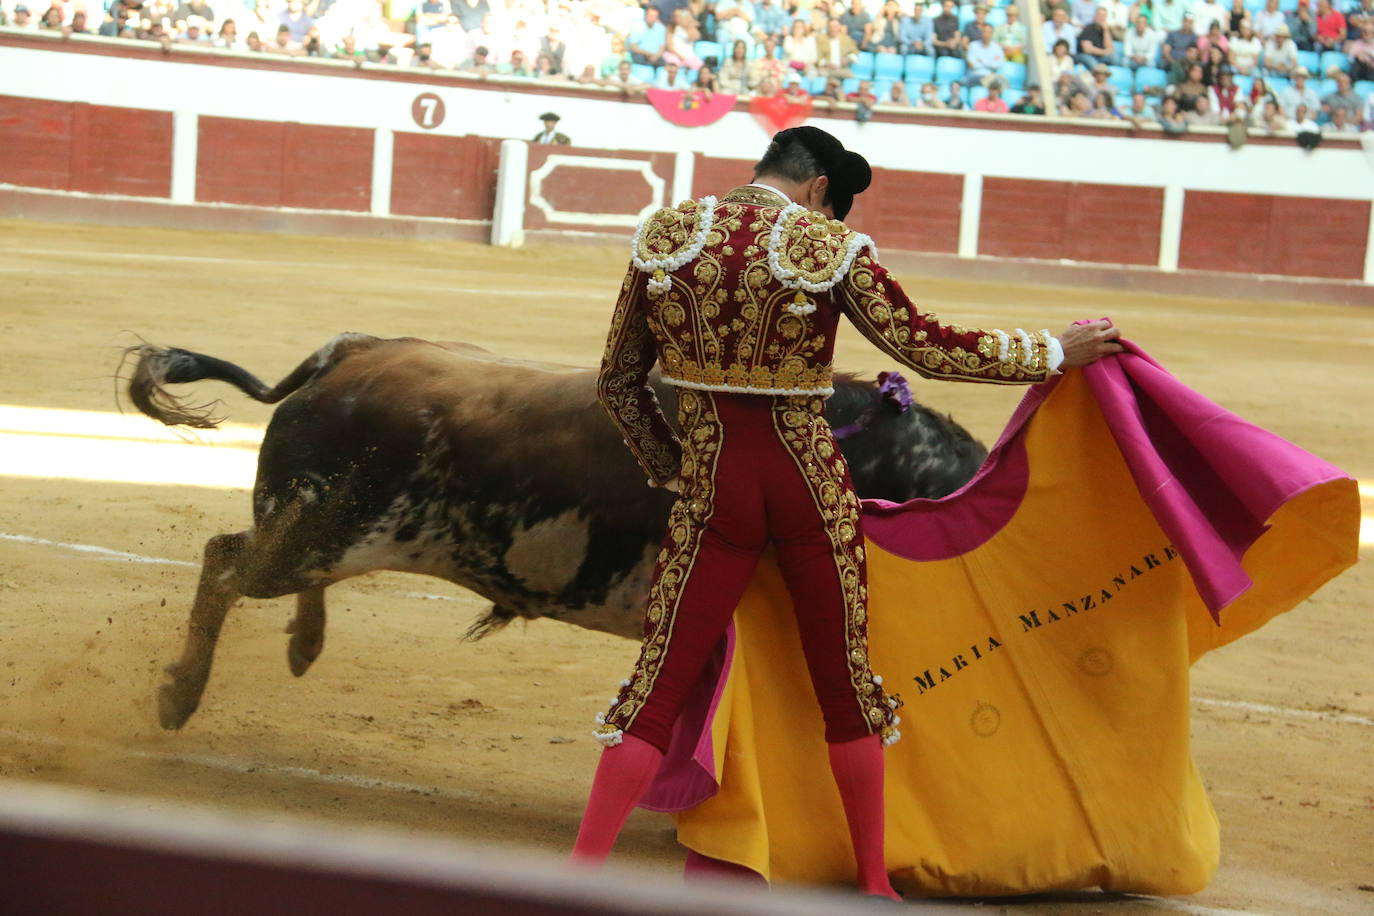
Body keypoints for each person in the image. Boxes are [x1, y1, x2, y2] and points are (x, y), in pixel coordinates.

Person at [576, 124, 1123, 900]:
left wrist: (675, 467)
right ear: (819, 189)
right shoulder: (826, 247)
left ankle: (576, 877)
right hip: (807, 483)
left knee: (654, 690)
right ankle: (873, 883)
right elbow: (925, 346)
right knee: (846, 685)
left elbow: (618, 384)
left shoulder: (666, 235)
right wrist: (1049, 353)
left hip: (715, 485)